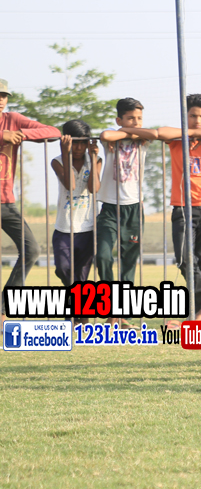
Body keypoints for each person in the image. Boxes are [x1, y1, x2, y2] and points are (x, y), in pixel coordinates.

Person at [156, 94, 201, 321]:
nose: (198, 120)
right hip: (183, 207)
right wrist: (190, 133)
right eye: (193, 116)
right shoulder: (179, 138)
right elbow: (160, 132)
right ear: (185, 117)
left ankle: (199, 310)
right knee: (184, 259)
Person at [0, 79, 60, 321]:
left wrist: (20, 134)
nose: (1, 99)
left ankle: (3, 310)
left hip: (6, 202)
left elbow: (54, 132)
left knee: (31, 250)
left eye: (4, 95)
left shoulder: (12, 119)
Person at [98, 98, 152, 328]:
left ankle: (121, 314)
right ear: (119, 120)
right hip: (110, 207)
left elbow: (153, 134)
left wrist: (130, 132)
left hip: (134, 208)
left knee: (128, 263)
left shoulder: (143, 140)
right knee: (103, 256)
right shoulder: (113, 137)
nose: (136, 123)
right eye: (130, 118)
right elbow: (105, 135)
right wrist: (125, 133)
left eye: (139, 119)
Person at [51, 121, 101, 291]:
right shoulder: (57, 161)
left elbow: (94, 188)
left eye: (83, 142)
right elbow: (70, 186)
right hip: (64, 227)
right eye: (75, 142)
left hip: (88, 227)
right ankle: (78, 302)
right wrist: (66, 154)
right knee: (62, 268)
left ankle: (78, 307)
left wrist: (93, 159)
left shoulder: (95, 160)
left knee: (81, 276)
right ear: (66, 141)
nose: (79, 148)